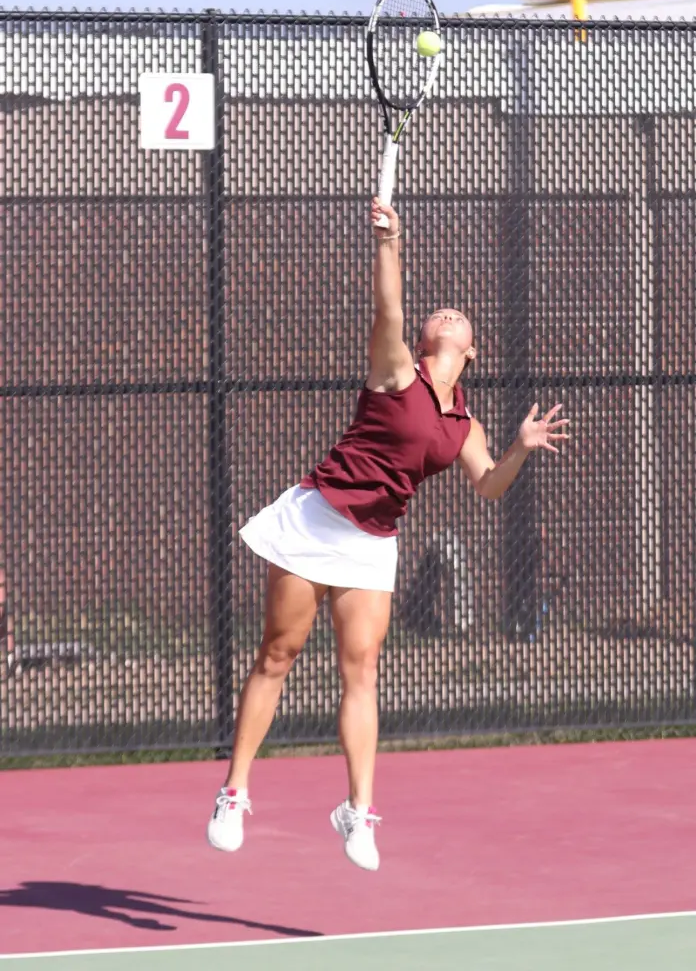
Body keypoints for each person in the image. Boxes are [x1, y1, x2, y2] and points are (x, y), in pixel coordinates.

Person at [206, 197, 569, 872]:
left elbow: (489, 485)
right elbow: (389, 307)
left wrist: (519, 447)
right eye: (440, 313)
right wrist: (389, 242)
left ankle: (358, 810)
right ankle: (234, 792)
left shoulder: (465, 426)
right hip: (316, 520)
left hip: (371, 543)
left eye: (459, 316)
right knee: (279, 653)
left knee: (362, 670)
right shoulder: (395, 367)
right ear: (426, 338)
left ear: (472, 350)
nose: (448, 313)